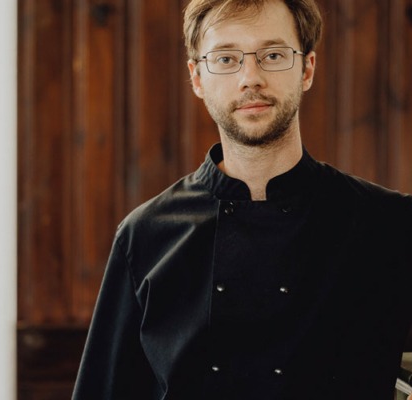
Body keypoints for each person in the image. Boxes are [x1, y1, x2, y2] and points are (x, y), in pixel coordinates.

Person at [72, 0, 412, 398]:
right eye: (226, 58)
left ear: (307, 69)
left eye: (273, 55)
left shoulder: (391, 223)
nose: (251, 78)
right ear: (197, 77)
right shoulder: (144, 236)